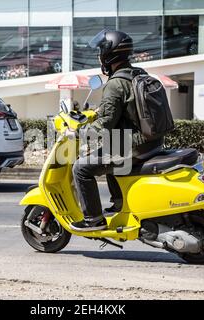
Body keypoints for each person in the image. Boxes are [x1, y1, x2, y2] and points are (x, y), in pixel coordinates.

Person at [69, 30, 164, 232]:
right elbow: (124, 108)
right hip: (153, 141)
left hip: (134, 145)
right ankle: (120, 204)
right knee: (107, 150)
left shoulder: (114, 84)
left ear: (109, 54)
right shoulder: (139, 74)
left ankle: (93, 219)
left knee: (81, 168)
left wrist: (80, 132)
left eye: (101, 51)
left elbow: (105, 123)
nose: (99, 56)